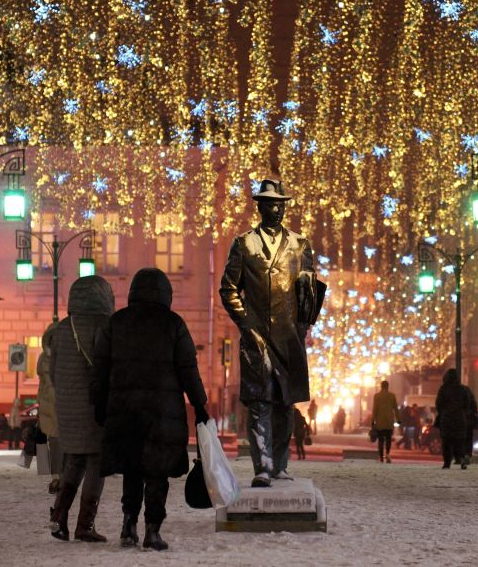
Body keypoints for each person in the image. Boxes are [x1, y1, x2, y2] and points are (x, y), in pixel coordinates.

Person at [92, 268, 209, 551]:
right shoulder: (174, 324)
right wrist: (200, 405)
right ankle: (152, 531)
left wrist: (99, 404)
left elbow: (100, 369)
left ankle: (128, 524)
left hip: (125, 411)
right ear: (166, 293)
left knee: (132, 470)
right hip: (162, 414)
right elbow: (188, 369)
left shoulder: (115, 322)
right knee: (157, 474)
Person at [219, 179, 319, 487]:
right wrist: (246, 324)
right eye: (270, 204)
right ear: (260, 207)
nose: (276, 209)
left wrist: (302, 324)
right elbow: (229, 289)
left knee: (285, 404)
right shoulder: (244, 244)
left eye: (280, 204)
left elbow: (309, 291)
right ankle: (262, 467)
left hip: (289, 340)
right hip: (257, 337)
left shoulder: (300, 245)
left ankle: (279, 465)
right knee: (260, 403)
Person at [49, 276, 114, 542]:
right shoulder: (105, 326)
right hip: (94, 406)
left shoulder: (63, 328)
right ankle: (85, 525)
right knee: (97, 463)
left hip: (67, 407)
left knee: (74, 461)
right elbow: (106, 369)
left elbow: (53, 373)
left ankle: (59, 518)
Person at [38, 322, 61, 495]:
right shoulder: (44, 358)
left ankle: (59, 477)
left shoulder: (45, 358)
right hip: (51, 406)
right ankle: (56, 477)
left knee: (58, 442)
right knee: (54, 442)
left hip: (62, 403)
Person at [435, 368, 470, 469]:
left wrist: (442, 412)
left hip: (447, 419)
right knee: (460, 441)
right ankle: (462, 459)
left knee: (447, 441)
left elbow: (438, 403)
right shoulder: (462, 389)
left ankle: (447, 462)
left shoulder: (443, 389)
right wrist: (463, 412)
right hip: (459, 418)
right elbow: (467, 403)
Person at [372, 380, 400, 463]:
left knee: (380, 439)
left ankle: (381, 457)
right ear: (388, 386)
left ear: (381, 386)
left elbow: (375, 409)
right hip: (389, 421)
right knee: (388, 439)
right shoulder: (392, 396)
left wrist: (373, 420)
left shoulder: (376, 396)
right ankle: (387, 454)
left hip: (380, 421)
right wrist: (398, 419)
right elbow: (395, 408)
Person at [461, 383, 478, 467]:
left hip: (460, 422)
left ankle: (461, 457)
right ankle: (467, 455)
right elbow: (475, 410)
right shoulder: (471, 399)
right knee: (469, 439)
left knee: (461, 440)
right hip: (469, 423)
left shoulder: (459, 398)